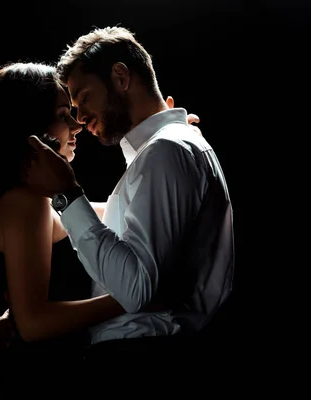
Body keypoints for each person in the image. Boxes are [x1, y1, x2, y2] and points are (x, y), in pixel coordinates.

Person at [24, 25, 235, 369]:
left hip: (142, 359)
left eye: (85, 98)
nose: (80, 119)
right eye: (72, 109)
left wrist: (68, 193)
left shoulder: (167, 150)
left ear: (120, 77)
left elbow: (135, 291)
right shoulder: (165, 149)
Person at [0, 62, 128, 399]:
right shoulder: (24, 204)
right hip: (32, 384)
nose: (77, 125)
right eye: (64, 114)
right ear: (29, 126)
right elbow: (33, 323)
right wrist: (129, 300)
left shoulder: (35, 200)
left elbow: (118, 210)